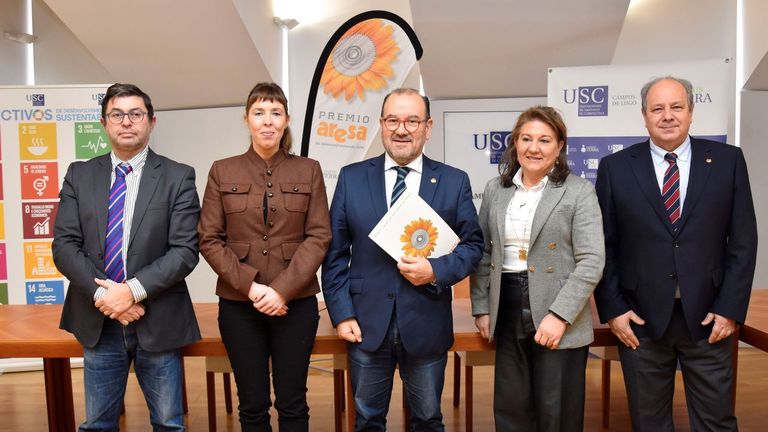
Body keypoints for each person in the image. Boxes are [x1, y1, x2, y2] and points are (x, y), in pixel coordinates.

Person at [594, 76, 758, 431]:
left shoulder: (728, 160)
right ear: (644, 115)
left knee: (717, 421)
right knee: (649, 423)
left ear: (691, 112)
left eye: (676, 107)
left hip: (709, 319)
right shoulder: (616, 168)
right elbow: (603, 245)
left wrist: (729, 310)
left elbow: (744, 241)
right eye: (657, 108)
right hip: (640, 321)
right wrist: (614, 310)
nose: (667, 116)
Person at [321, 87, 484, 431]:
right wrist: (341, 312)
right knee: (366, 420)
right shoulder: (351, 179)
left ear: (428, 127)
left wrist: (435, 270)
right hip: (365, 324)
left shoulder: (454, 181)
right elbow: (334, 255)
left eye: (412, 120)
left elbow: (472, 246)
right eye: (393, 120)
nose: (401, 129)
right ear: (381, 124)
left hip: (426, 320)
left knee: (427, 419)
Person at [53, 83, 201, 431]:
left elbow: (184, 251)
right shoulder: (80, 174)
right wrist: (108, 296)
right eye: (117, 115)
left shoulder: (178, 176)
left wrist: (131, 292)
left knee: (168, 424)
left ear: (151, 121)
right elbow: (64, 245)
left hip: (158, 317)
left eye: (136, 114)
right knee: (98, 424)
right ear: (104, 123)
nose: (126, 122)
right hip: (98, 318)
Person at [198, 82, 331, 431]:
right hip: (240, 305)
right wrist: (254, 288)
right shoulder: (222, 170)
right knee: (252, 405)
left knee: (292, 403)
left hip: (296, 304)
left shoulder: (309, 169)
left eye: (275, 113)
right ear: (246, 120)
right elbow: (209, 238)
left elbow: (319, 236)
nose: (267, 121)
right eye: (259, 113)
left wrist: (281, 290)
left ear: (286, 120)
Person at [470, 106, 605, 431]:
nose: (534, 148)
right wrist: (482, 307)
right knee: (511, 408)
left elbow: (592, 260)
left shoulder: (579, 191)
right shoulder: (495, 190)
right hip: (507, 306)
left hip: (559, 310)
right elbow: (484, 250)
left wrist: (560, 316)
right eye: (526, 138)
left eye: (545, 140)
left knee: (555, 411)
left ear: (559, 146)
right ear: (515, 143)